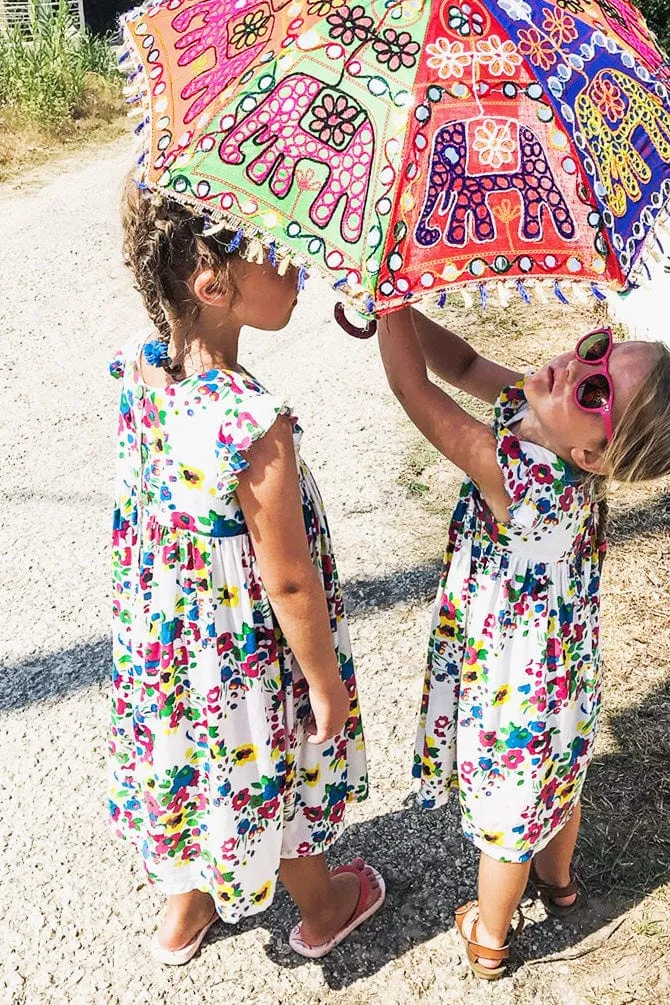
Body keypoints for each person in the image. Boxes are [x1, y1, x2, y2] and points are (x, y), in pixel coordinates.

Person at [378, 305, 670, 980]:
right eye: (596, 350)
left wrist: (384, 304)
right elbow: (462, 363)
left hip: (514, 683)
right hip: (564, 675)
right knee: (558, 784)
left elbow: (415, 390)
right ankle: (560, 886)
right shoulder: (546, 420)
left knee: (507, 813)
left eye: (595, 389)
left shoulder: (523, 480)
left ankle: (491, 936)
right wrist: (402, 312)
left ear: (590, 453)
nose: (574, 366)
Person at [108, 181, 384, 965]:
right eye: (277, 251)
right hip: (244, 653)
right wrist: (325, 681)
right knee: (274, 766)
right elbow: (289, 580)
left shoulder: (139, 368)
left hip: (173, 647)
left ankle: (186, 908)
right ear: (213, 284)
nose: (297, 264)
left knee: (196, 756)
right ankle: (325, 906)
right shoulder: (253, 423)